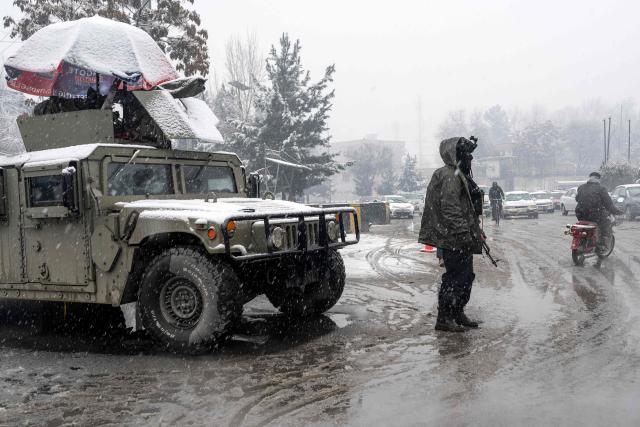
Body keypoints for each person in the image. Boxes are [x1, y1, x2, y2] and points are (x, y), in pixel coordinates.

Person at [419, 137, 484, 332]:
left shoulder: (458, 174)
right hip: (452, 237)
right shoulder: (449, 175)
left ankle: (457, 312)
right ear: (454, 155)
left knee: (465, 276)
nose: (469, 159)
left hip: (460, 236)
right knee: (455, 277)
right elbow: (450, 208)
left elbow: (466, 208)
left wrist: (475, 231)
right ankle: (445, 318)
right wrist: (463, 232)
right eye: (465, 154)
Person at [575, 172, 622, 251]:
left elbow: (577, 199)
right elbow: (609, 205)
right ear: (598, 179)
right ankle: (602, 245)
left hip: (580, 214)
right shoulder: (601, 189)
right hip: (594, 215)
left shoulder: (581, 187)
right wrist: (618, 212)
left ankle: (589, 240)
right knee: (607, 223)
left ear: (590, 178)